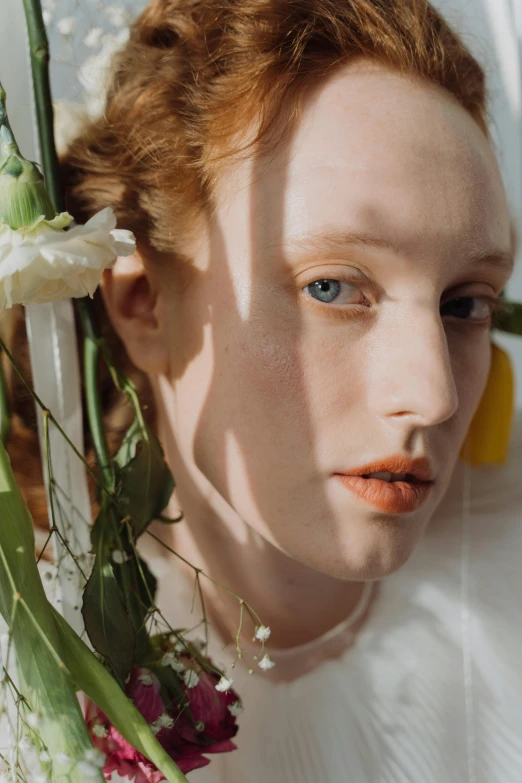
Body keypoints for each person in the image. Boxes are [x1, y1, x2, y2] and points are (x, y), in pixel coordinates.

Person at [6, 0, 522, 780]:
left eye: (465, 303)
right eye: (331, 286)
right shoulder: (30, 691)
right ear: (144, 303)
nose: (436, 394)